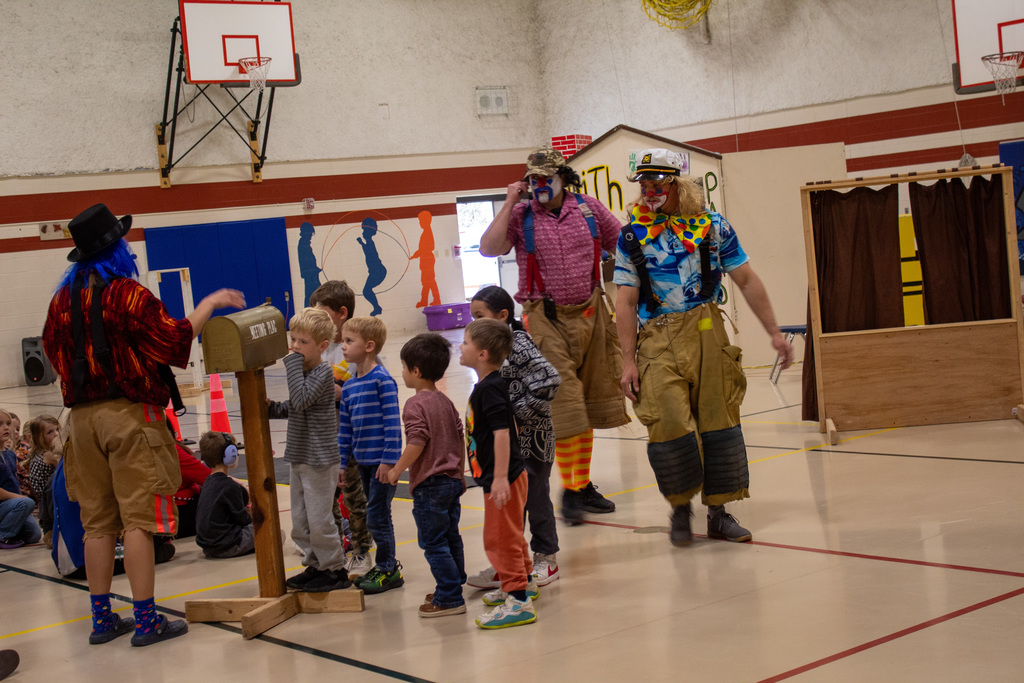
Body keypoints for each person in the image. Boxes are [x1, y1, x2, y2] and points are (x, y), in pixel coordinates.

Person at [41, 203, 246, 646]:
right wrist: (209, 303)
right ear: (118, 248)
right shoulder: (128, 295)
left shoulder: (62, 301)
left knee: (97, 522)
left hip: (80, 421)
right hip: (129, 415)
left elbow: (52, 354)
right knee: (138, 519)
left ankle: (101, 619)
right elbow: (174, 339)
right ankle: (147, 619)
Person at [613, 149, 794, 546]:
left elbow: (746, 280)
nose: (648, 192)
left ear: (677, 184)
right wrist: (627, 361)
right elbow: (624, 300)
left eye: (656, 184)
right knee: (668, 422)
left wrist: (775, 333)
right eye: (643, 185)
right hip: (657, 339)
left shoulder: (713, 227)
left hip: (708, 330)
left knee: (718, 420)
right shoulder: (631, 236)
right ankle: (680, 508)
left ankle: (719, 513)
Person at [479, 146, 629, 526]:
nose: (540, 185)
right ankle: (572, 490)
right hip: (545, 318)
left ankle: (581, 485)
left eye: (547, 178)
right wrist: (510, 199)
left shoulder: (590, 209)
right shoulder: (521, 214)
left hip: (593, 315)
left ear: (564, 178)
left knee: (591, 402)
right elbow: (488, 248)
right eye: (533, 179)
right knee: (565, 403)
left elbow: (625, 246)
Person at [466, 286, 562, 588]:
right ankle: (510, 563)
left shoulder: (517, 343)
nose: (475, 324)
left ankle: (546, 558)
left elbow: (550, 380)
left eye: (480, 316)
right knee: (511, 505)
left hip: (533, 441)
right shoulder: (496, 348)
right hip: (513, 443)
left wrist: (516, 412)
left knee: (535, 498)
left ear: (502, 316)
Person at [460, 319, 538, 629]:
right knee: (512, 534)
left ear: (483, 353)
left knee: (499, 538)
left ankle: (518, 600)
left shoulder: (490, 389)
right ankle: (525, 581)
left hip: (503, 477)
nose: (460, 347)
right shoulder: (490, 386)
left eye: (466, 342)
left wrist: (501, 476)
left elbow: (504, 433)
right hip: (504, 473)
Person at [267, 307, 350, 592]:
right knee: (300, 521)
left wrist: (290, 364)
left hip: (320, 458)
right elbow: (296, 408)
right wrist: (273, 409)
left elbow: (301, 399)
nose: (295, 347)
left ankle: (334, 569)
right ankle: (315, 565)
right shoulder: (304, 371)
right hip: (299, 454)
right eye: (293, 340)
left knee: (319, 519)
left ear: (322, 346)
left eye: (303, 342)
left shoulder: (322, 373)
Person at [386, 333, 467, 617]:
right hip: (452, 482)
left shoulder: (415, 404)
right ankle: (453, 584)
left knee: (433, 542)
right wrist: (459, 472)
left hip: (430, 486)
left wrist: (397, 469)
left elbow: (417, 441)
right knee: (450, 535)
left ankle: (449, 596)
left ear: (416, 371)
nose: (402, 373)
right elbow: (460, 435)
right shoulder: (444, 401)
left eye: (404, 367)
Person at [309, 280, 373, 578]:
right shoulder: (316, 349)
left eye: (322, 313)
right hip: (323, 439)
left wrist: (343, 391)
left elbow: (372, 387)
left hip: (351, 440)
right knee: (325, 499)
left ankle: (362, 550)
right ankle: (335, 549)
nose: (316, 318)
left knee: (354, 499)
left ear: (341, 313)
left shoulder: (358, 348)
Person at [338, 316, 404, 594]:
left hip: (381, 464)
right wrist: (343, 463)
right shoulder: (350, 386)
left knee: (377, 516)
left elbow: (392, 423)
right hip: (362, 463)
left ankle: (388, 568)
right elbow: (345, 429)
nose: (342, 347)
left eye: (348, 341)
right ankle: (384, 566)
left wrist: (389, 461)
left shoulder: (382, 381)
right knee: (372, 513)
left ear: (369, 346)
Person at [194, 431, 255, 559]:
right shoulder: (229, 486)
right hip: (226, 546)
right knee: (274, 531)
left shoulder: (207, 482)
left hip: (208, 547)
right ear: (229, 454)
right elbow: (244, 519)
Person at [0, 408, 41, 549]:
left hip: (11, 503)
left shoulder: (9, 454)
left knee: (34, 536)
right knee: (26, 503)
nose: (6, 428)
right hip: (7, 502)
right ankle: (2, 535)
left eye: (7, 423)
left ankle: (9, 527)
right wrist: (20, 499)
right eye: (0, 424)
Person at [27, 415, 61, 548]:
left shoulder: (37, 453)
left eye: (57, 429)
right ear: (40, 437)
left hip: (44, 507)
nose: (56, 434)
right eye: (50, 432)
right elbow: (65, 473)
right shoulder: (49, 455)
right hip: (50, 505)